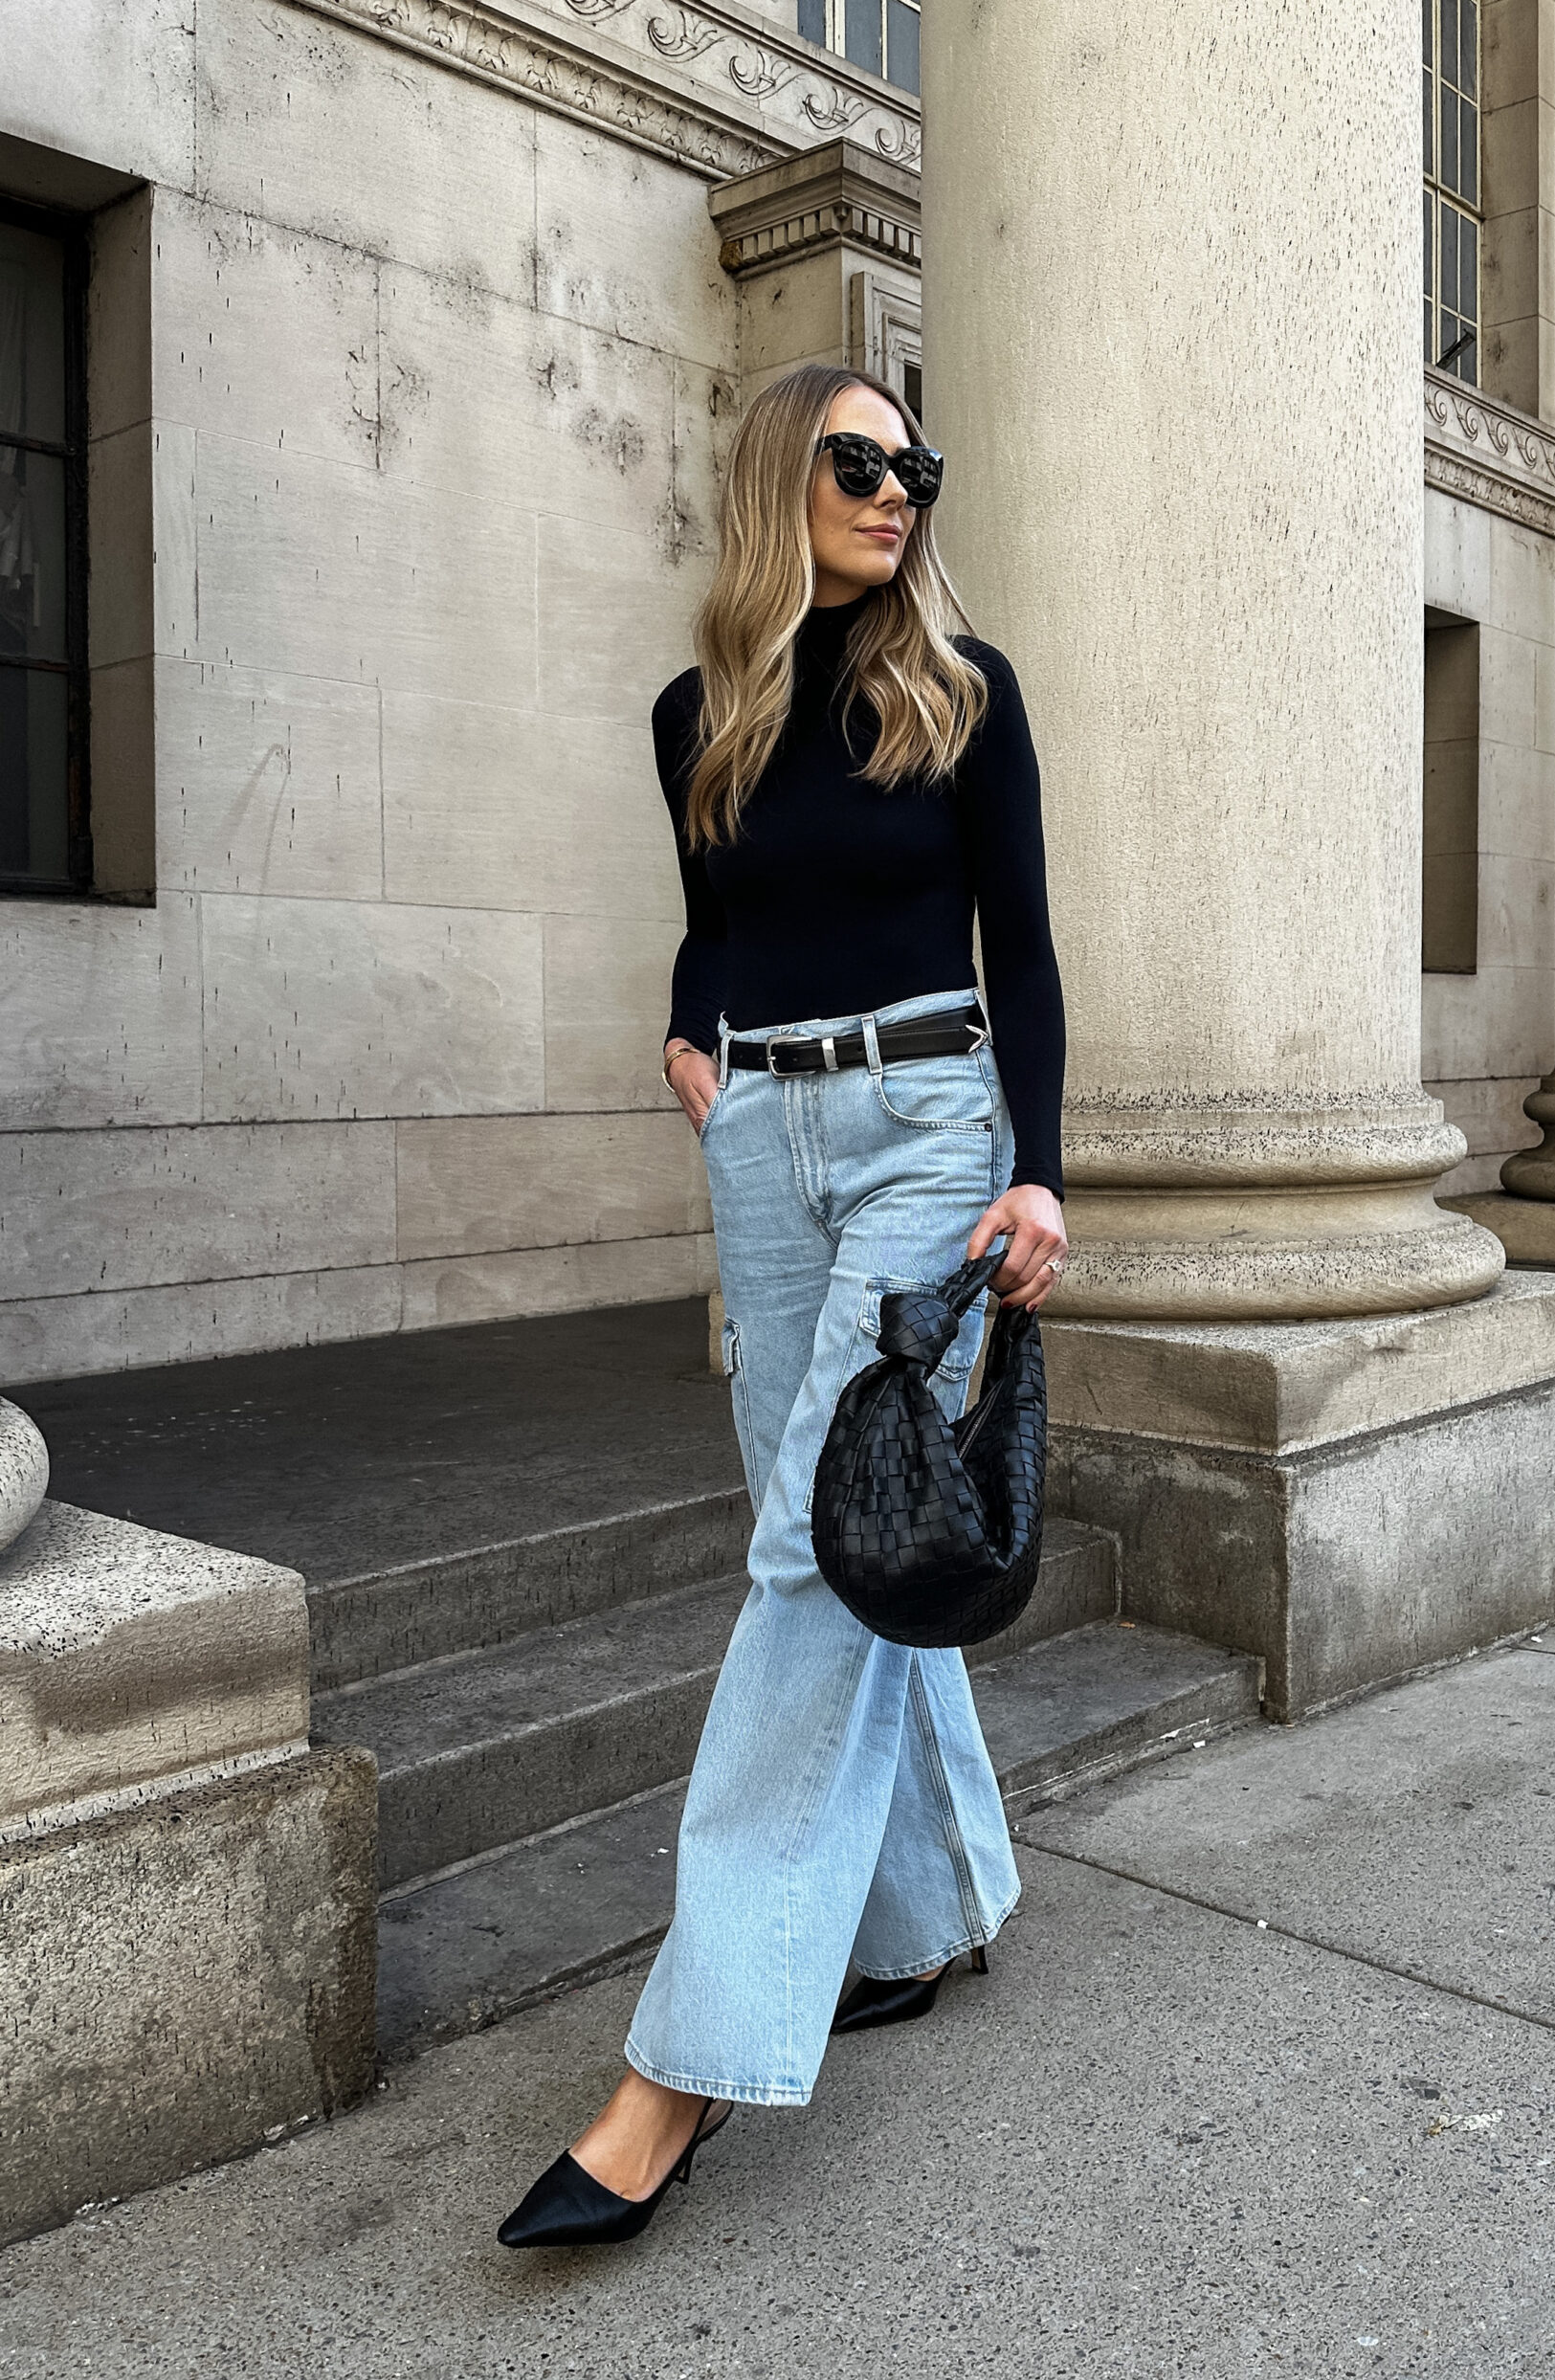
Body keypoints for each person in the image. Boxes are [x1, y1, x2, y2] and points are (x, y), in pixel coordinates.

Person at [499, 360, 1068, 2250]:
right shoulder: (699, 713)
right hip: (759, 1136)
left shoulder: (962, 699)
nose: (896, 488)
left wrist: (1035, 1163)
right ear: (778, 480)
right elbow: (713, 910)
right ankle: (921, 1911)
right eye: (857, 462)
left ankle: (680, 2063)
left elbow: (1025, 951)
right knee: (831, 1522)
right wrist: (689, 1028)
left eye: (914, 463)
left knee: (808, 1561)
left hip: (923, 1119)